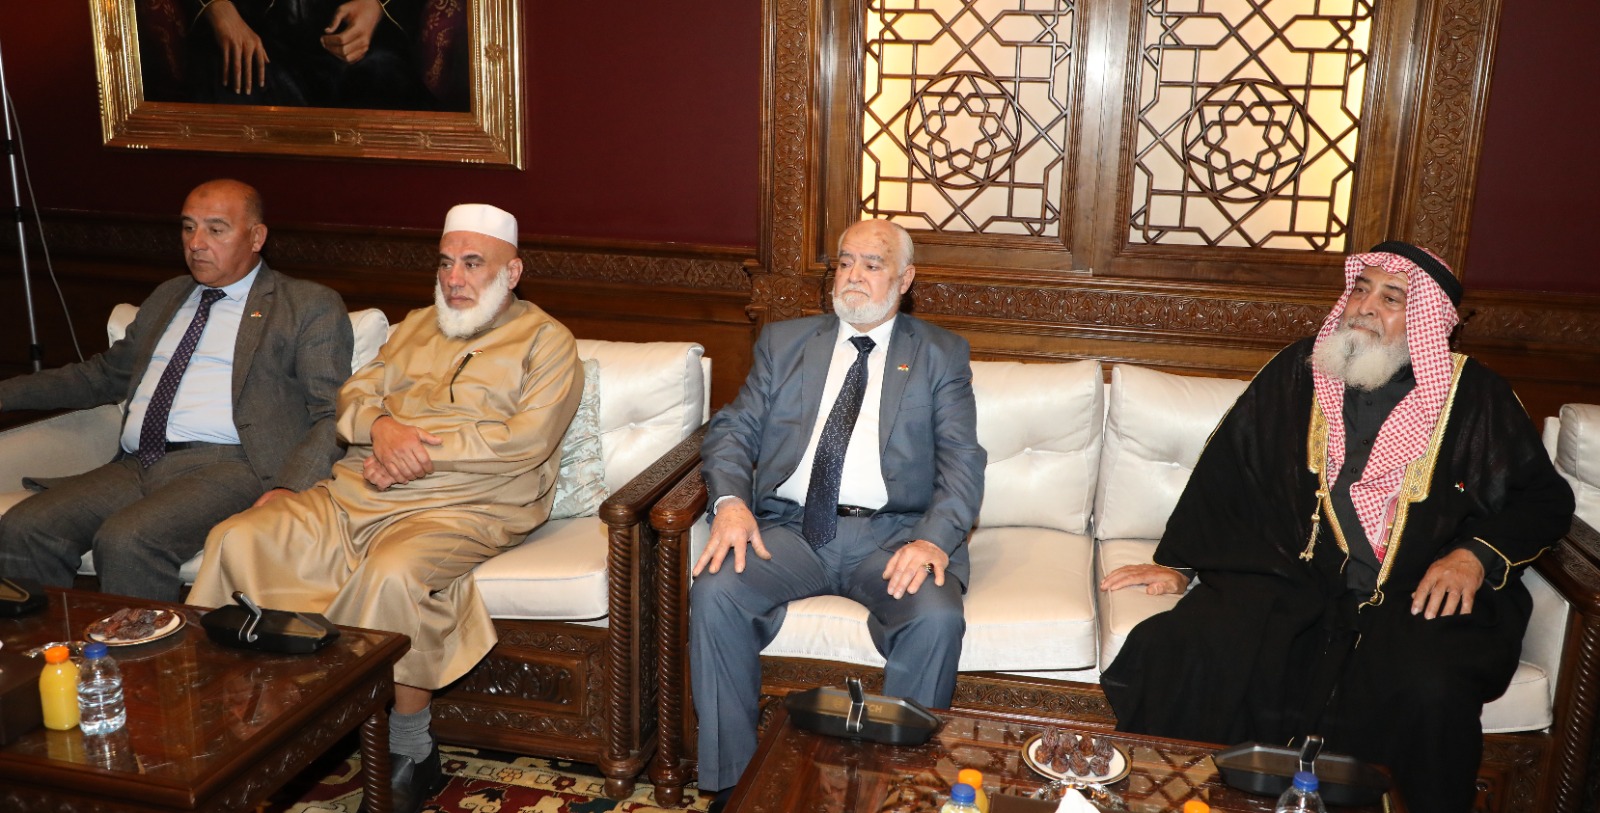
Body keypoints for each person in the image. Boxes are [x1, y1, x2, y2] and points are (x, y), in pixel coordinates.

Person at [1098, 241, 1575, 813]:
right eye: (1360, 289)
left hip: (1415, 589)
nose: (1365, 306)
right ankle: (1176, 798)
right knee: (1188, 645)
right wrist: (1180, 564)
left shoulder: (1476, 398)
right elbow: (1231, 467)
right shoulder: (1300, 371)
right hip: (1294, 574)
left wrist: (1473, 554)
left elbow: (1544, 500)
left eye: (1391, 298)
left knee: (1428, 687)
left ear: (1427, 320)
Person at [187, 203, 582, 813]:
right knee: (239, 537)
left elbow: (527, 441)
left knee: (393, 572)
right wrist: (379, 427)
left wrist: (408, 451)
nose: (454, 279)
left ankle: (407, 747)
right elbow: (355, 395)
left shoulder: (548, 342)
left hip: (467, 503)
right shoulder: (418, 325)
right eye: (445, 263)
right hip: (362, 486)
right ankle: (239, 717)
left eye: (472, 264)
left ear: (512, 272)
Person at [692, 219, 986, 806]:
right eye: (845, 262)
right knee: (716, 590)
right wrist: (729, 504)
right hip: (793, 529)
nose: (854, 275)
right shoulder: (784, 343)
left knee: (935, 618)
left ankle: (896, 791)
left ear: (905, 278)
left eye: (872, 265)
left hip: (892, 537)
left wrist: (932, 539)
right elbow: (731, 431)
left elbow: (963, 461)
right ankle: (733, 787)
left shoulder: (939, 353)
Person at [0, 179, 352, 602]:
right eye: (188, 228)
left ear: (256, 237)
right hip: (137, 463)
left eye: (216, 229)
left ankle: (143, 648)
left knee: (128, 539)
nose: (196, 243)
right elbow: (101, 376)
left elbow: (332, 410)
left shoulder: (306, 305)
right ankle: (56, 643)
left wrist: (290, 489)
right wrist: (5, 394)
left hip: (232, 465)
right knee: (26, 527)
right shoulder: (169, 295)